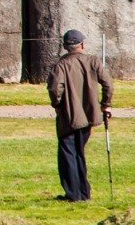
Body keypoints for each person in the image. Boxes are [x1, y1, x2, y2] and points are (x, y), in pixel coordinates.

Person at [46, 29, 112, 202]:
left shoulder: (61, 65)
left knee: (68, 154)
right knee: (79, 153)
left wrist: (57, 105)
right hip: (89, 116)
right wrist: (105, 104)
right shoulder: (93, 61)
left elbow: (54, 89)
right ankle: (83, 193)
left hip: (69, 116)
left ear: (65, 46)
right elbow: (108, 84)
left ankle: (73, 194)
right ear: (82, 44)